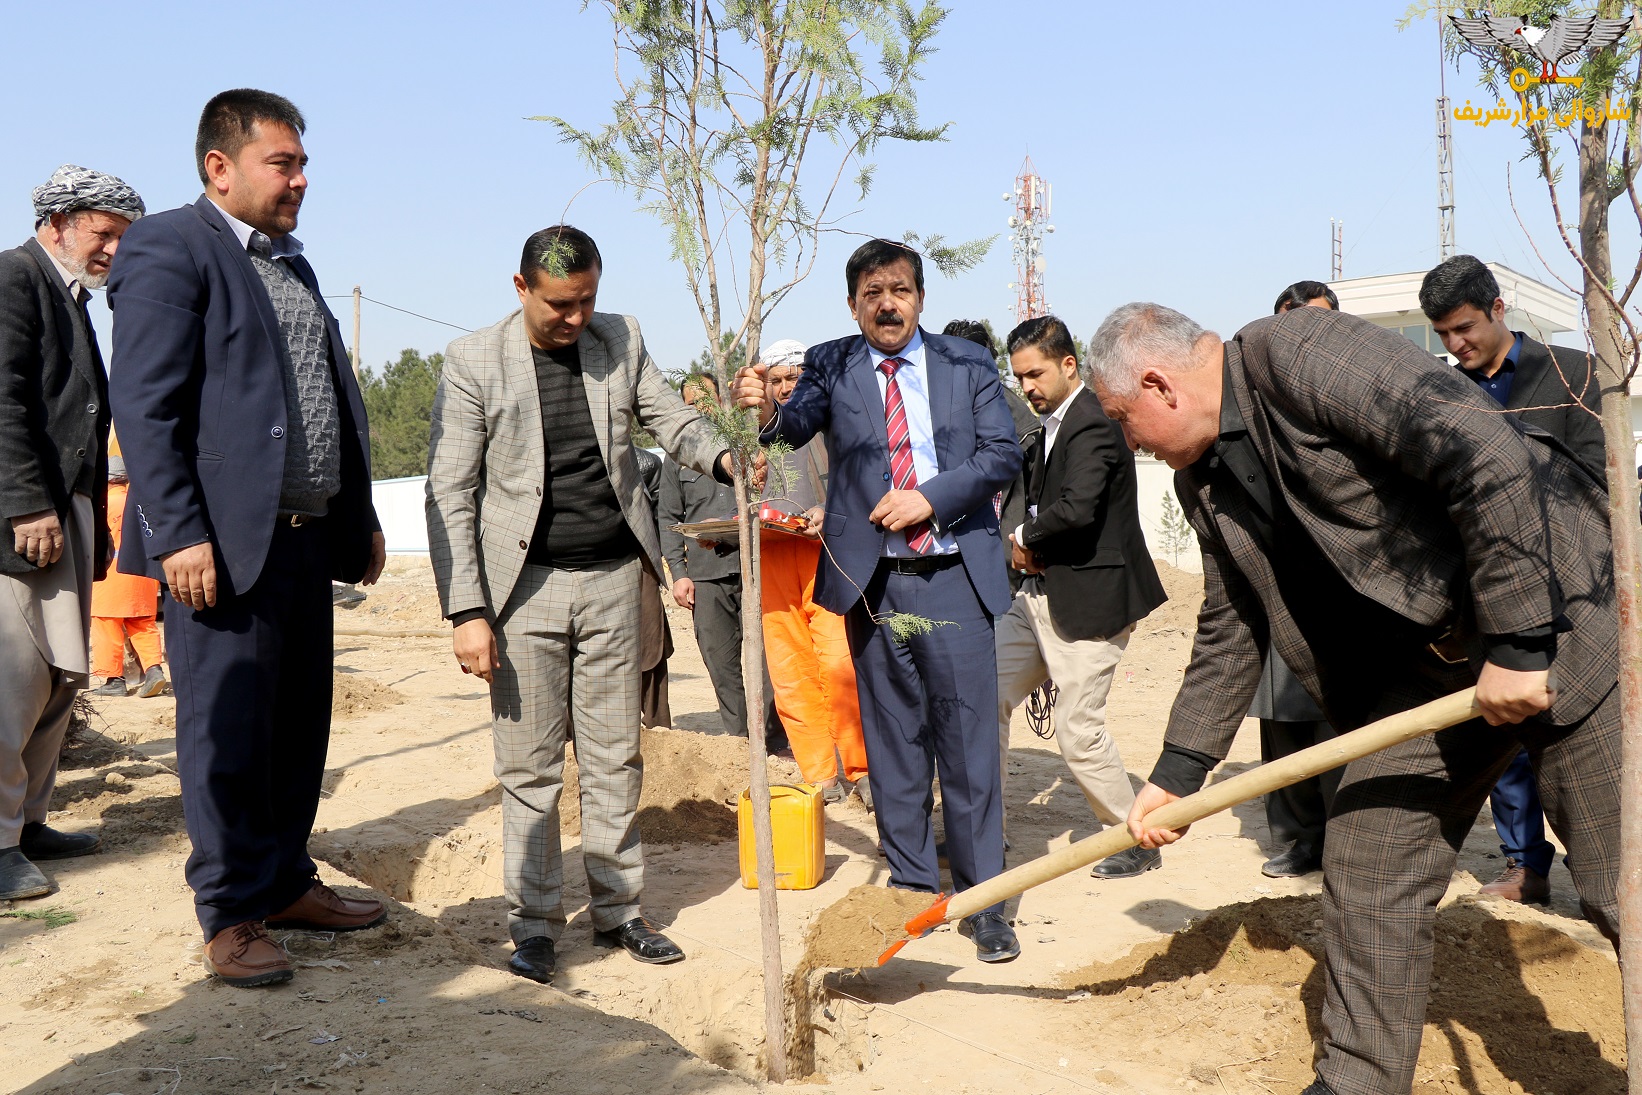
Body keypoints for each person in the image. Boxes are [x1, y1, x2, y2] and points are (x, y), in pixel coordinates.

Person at [1094, 302, 1618, 1095]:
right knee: (1370, 859)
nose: (1128, 441)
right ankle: (1357, 1080)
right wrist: (1178, 770)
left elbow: (1483, 450)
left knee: (1624, 879)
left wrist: (1514, 643)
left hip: (1555, 618)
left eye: (1121, 420)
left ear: (1157, 384)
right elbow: (1231, 620)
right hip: (1426, 680)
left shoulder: (1299, 352)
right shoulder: (1202, 479)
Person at [109, 90, 388, 989]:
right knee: (225, 731)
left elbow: (323, 401)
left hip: (302, 541)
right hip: (220, 549)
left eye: (303, 164)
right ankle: (229, 910)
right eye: (284, 163)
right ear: (218, 167)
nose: (301, 180)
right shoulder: (170, 247)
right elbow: (145, 409)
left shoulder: (291, 264)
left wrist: (361, 516)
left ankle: (283, 879)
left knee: (297, 723)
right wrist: (178, 531)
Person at [426, 224, 740, 985]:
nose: (575, 318)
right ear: (522, 287)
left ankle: (620, 911)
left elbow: (670, 418)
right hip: (520, 591)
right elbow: (450, 489)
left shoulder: (620, 338)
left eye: (587, 300)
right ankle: (533, 926)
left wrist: (725, 455)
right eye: (560, 305)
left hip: (611, 582)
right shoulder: (473, 361)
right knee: (529, 768)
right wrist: (467, 610)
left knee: (613, 756)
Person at [732, 239, 1023, 963]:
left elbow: (1001, 453)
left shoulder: (965, 363)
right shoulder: (832, 362)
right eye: (871, 292)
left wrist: (928, 498)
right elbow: (791, 428)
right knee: (894, 744)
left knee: (966, 744)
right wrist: (763, 405)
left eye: (898, 289)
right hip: (877, 584)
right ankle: (911, 892)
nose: (886, 303)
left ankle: (983, 902)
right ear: (853, 303)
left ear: (920, 297)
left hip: (952, 574)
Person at [1420, 254, 1607, 906]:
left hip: (1576, 593)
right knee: (1506, 738)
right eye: (1443, 334)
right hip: (1488, 597)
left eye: (1464, 328)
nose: (1455, 344)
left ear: (1498, 309)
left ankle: (1602, 880)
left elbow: (1597, 482)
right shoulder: (1443, 392)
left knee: (1583, 743)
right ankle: (1525, 866)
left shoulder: (1570, 372)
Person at [0, 164, 144, 902]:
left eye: (123, 236)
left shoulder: (74, 302)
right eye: (103, 233)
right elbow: (3, 403)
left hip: (67, 517)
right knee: (14, 679)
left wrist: (89, 520)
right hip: (24, 521)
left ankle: (27, 823)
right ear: (57, 224)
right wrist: (26, 505)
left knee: (60, 676)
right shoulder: (14, 280)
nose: (114, 249)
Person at [994, 315, 1164, 878]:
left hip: (1088, 601)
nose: (1027, 388)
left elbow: (1077, 509)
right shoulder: (1052, 420)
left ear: (1070, 365)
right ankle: (982, 830)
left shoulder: (1091, 423)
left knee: (1078, 727)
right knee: (981, 696)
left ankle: (1134, 837)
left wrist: (1021, 539)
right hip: (1038, 595)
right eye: (1019, 378)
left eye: (1035, 374)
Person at [1249, 282, 1343, 879]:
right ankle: (1298, 837)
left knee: (1342, 723)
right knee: (1284, 721)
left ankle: (1345, 840)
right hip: (1282, 584)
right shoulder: (1256, 405)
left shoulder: (1354, 397)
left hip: (1350, 594)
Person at [756, 338, 869, 804]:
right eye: (776, 381)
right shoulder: (749, 431)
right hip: (772, 559)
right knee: (790, 671)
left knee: (841, 665)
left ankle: (862, 771)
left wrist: (830, 509)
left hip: (828, 557)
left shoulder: (833, 421)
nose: (785, 388)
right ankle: (820, 774)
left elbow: (860, 482)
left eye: (793, 378)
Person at [658, 373, 761, 737]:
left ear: (720, 401)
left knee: (768, 660)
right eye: (690, 402)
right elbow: (668, 518)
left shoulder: (749, 444)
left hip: (757, 569)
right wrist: (679, 574)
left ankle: (776, 740)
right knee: (722, 663)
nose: (698, 407)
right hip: (706, 577)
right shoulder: (676, 460)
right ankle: (740, 740)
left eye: (705, 399)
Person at [91, 431, 167, 698]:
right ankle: (154, 670)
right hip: (144, 574)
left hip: (112, 576)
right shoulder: (141, 504)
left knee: (106, 624)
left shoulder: (103, 503)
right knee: (143, 623)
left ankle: (113, 679)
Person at [633, 445, 673, 729]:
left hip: (640, 564)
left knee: (650, 643)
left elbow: (661, 520)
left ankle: (656, 725)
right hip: (585, 565)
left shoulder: (646, 464)